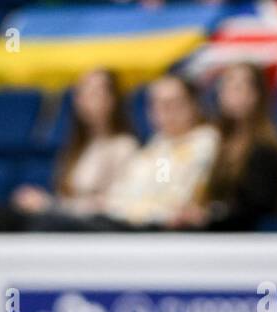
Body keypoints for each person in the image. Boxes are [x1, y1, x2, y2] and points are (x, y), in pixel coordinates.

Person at [31, 73, 219, 232]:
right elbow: (124, 193)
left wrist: (119, 206)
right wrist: (114, 204)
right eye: (155, 104)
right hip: (126, 223)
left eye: (172, 103)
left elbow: (171, 203)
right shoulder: (159, 145)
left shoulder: (203, 143)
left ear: (194, 104)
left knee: (52, 224)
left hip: (152, 231)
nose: (163, 111)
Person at [0, 69, 139, 231]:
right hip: (65, 218)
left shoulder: (124, 146)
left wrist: (50, 205)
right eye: (82, 92)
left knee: (40, 224)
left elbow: (114, 205)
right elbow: (64, 195)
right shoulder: (78, 147)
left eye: (96, 92)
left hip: (93, 226)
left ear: (113, 98)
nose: (87, 99)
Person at [169, 62, 277, 231]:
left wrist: (208, 215)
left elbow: (257, 206)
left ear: (256, 95)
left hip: (251, 237)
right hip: (220, 231)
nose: (228, 93)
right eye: (225, 86)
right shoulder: (216, 141)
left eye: (237, 87)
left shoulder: (266, 148)